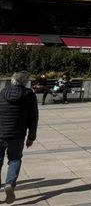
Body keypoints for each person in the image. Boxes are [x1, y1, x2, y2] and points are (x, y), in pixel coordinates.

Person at [0, 72, 39, 203]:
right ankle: (9, 184)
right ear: (25, 82)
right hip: (17, 135)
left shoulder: (2, 92)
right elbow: (33, 118)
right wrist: (31, 137)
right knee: (15, 159)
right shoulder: (29, 95)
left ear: (12, 81)